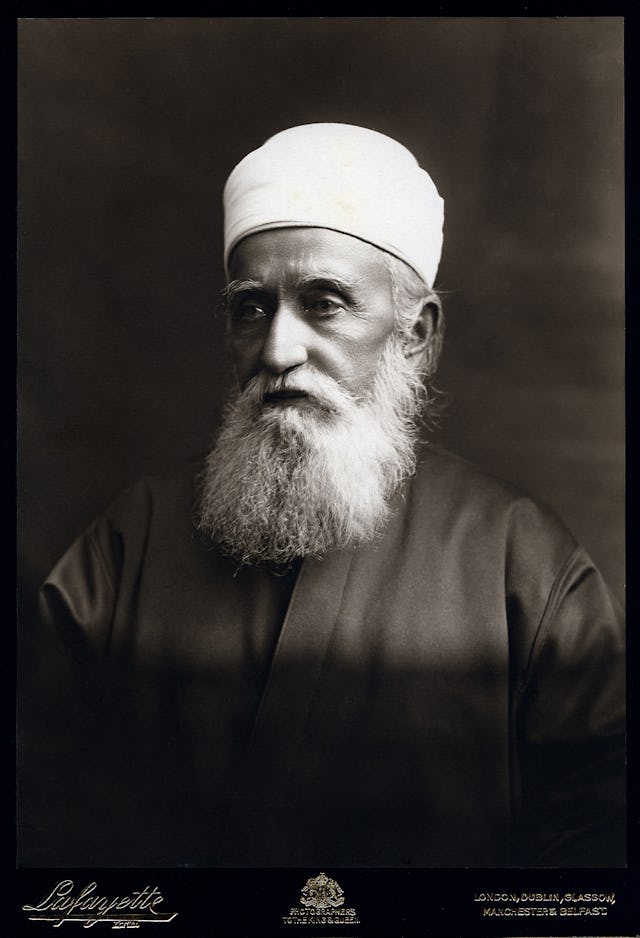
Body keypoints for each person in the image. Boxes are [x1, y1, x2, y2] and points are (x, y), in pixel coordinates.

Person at [19, 123, 625, 869]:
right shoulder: (130, 541)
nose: (277, 349)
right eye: (251, 307)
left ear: (416, 334)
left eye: (325, 303)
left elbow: (595, 846)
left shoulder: (523, 561)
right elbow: (36, 816)